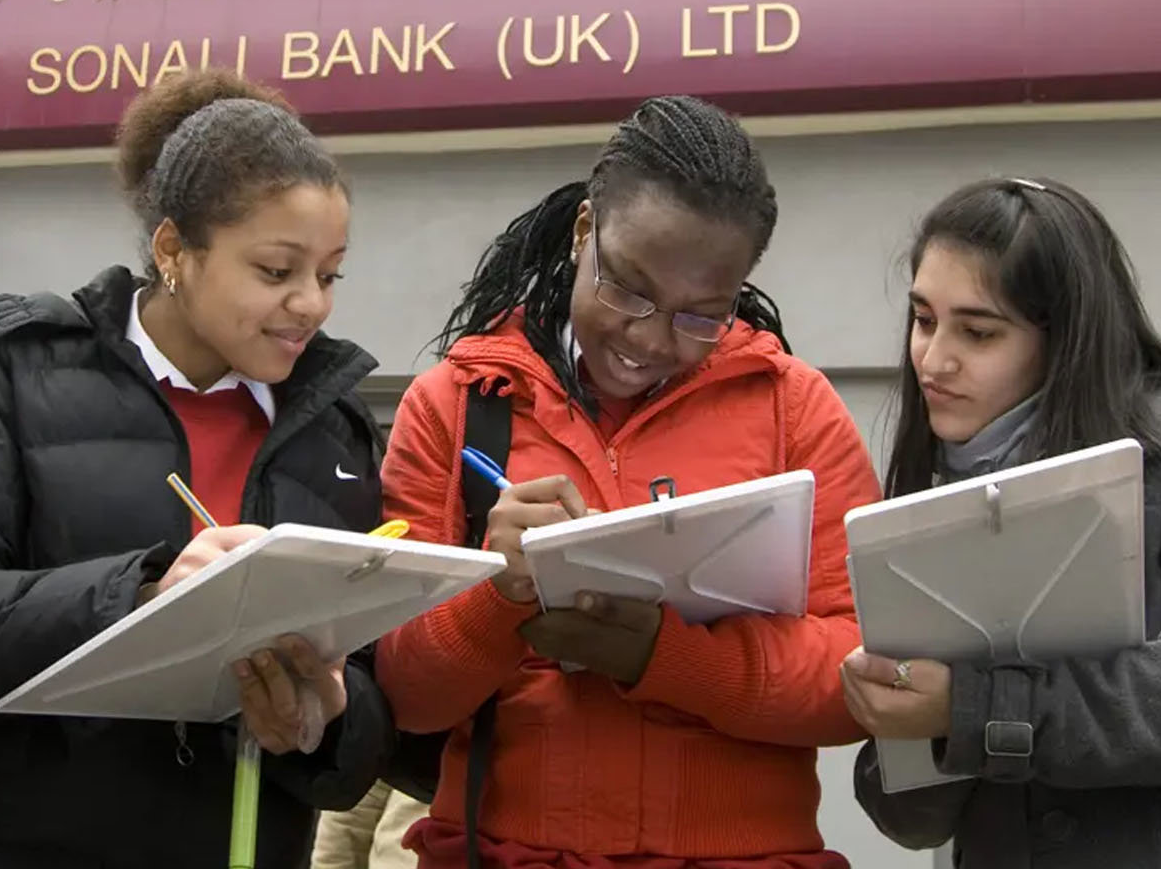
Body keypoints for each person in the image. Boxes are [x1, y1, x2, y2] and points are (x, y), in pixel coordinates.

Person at [0, 68, 396, 869]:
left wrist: (329, 713)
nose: (311, 305)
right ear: (176, 250)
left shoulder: (336, 429)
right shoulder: (13, 372)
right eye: (276, 271)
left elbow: (364, 721)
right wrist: (141, 599)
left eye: (328, 276)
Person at [376, 96, 879, 869]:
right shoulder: (456, 404)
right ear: (585, 231)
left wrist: (666, 658)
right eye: (628, 290)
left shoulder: (794, 410)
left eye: (700, 316)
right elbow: (404, 695)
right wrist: (497, 596)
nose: (648, 338)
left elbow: (861, 673)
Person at [842, 177, 1161, 868]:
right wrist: (902, 723)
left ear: (1067, 337)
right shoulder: (936, 489)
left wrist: (971, 707)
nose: (934, 360)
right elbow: (912, 822)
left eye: (978, 331)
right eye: (923, 320)